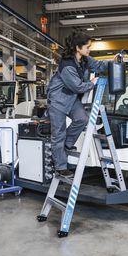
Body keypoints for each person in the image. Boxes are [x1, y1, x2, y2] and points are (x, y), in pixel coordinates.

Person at [47, 32, 109, 178]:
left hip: (71, 98)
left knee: (82, 119)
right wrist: (92, 83)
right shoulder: (67, 66)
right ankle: (60, 167)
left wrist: (115, 62)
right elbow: (78, 87)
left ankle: (67, 145)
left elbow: (99, 65)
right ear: (78, 48)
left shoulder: (85, 59)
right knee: (58, 134)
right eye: (87, 47)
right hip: (58, 101)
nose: (89, 50)